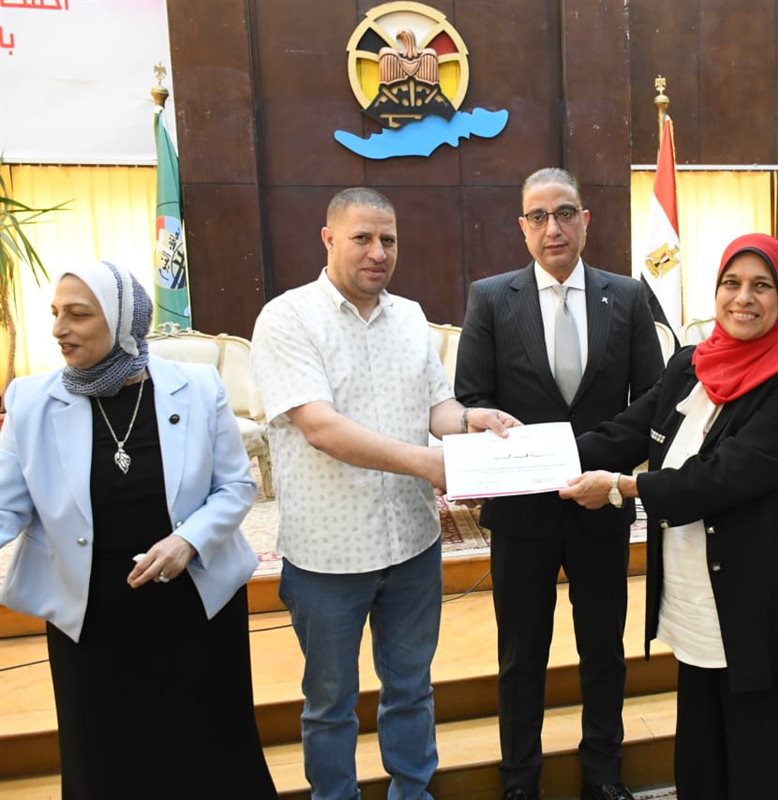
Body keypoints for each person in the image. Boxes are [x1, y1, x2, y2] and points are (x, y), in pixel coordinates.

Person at [250, 187, 514, 800]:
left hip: (412, 546)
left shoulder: (412, 317)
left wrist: (470, 421)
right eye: (362, 238)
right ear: (328, 239)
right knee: (329, 702)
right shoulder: (287, 318)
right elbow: (320, 428)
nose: (378, 252)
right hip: (328, 555)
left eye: (388, 240)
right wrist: (430, 464)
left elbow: (436, 407)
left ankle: (412, 792)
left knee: (411, 690)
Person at [560, 233, 778, 800]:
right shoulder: (691, 364)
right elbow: (624, 433)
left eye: (761, 286)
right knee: (701, 761)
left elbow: (722, 477)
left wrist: (621, 488)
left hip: (763, 608)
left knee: (760, 770)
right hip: (697, 598)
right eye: (731, 283)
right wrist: (524, 460)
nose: (743, 298)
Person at [0, 262, 277, 798]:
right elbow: (5, 506)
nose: (58, 329)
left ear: (124, 322)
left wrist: (187, 541)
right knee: (104, 755)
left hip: (193, 605)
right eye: (55, 314)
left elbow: (234, 487)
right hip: (91, 615)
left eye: (78, 315)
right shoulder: (30, 401)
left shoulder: (197, 388)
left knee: (208, 750)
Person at [454, 167, 664, 800]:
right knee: (522, 655)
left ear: (586, 221)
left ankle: (603, 773)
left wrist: (583, 459)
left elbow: (653, 401)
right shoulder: (491, 298)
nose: (554, 228)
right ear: (523, 227)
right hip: (522, 513)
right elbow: (473, 399)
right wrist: (530, 460)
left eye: (566, 213)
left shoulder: (627, 296)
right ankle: (520, 780)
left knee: (603, 650)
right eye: (539, 216)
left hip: (600, 503)